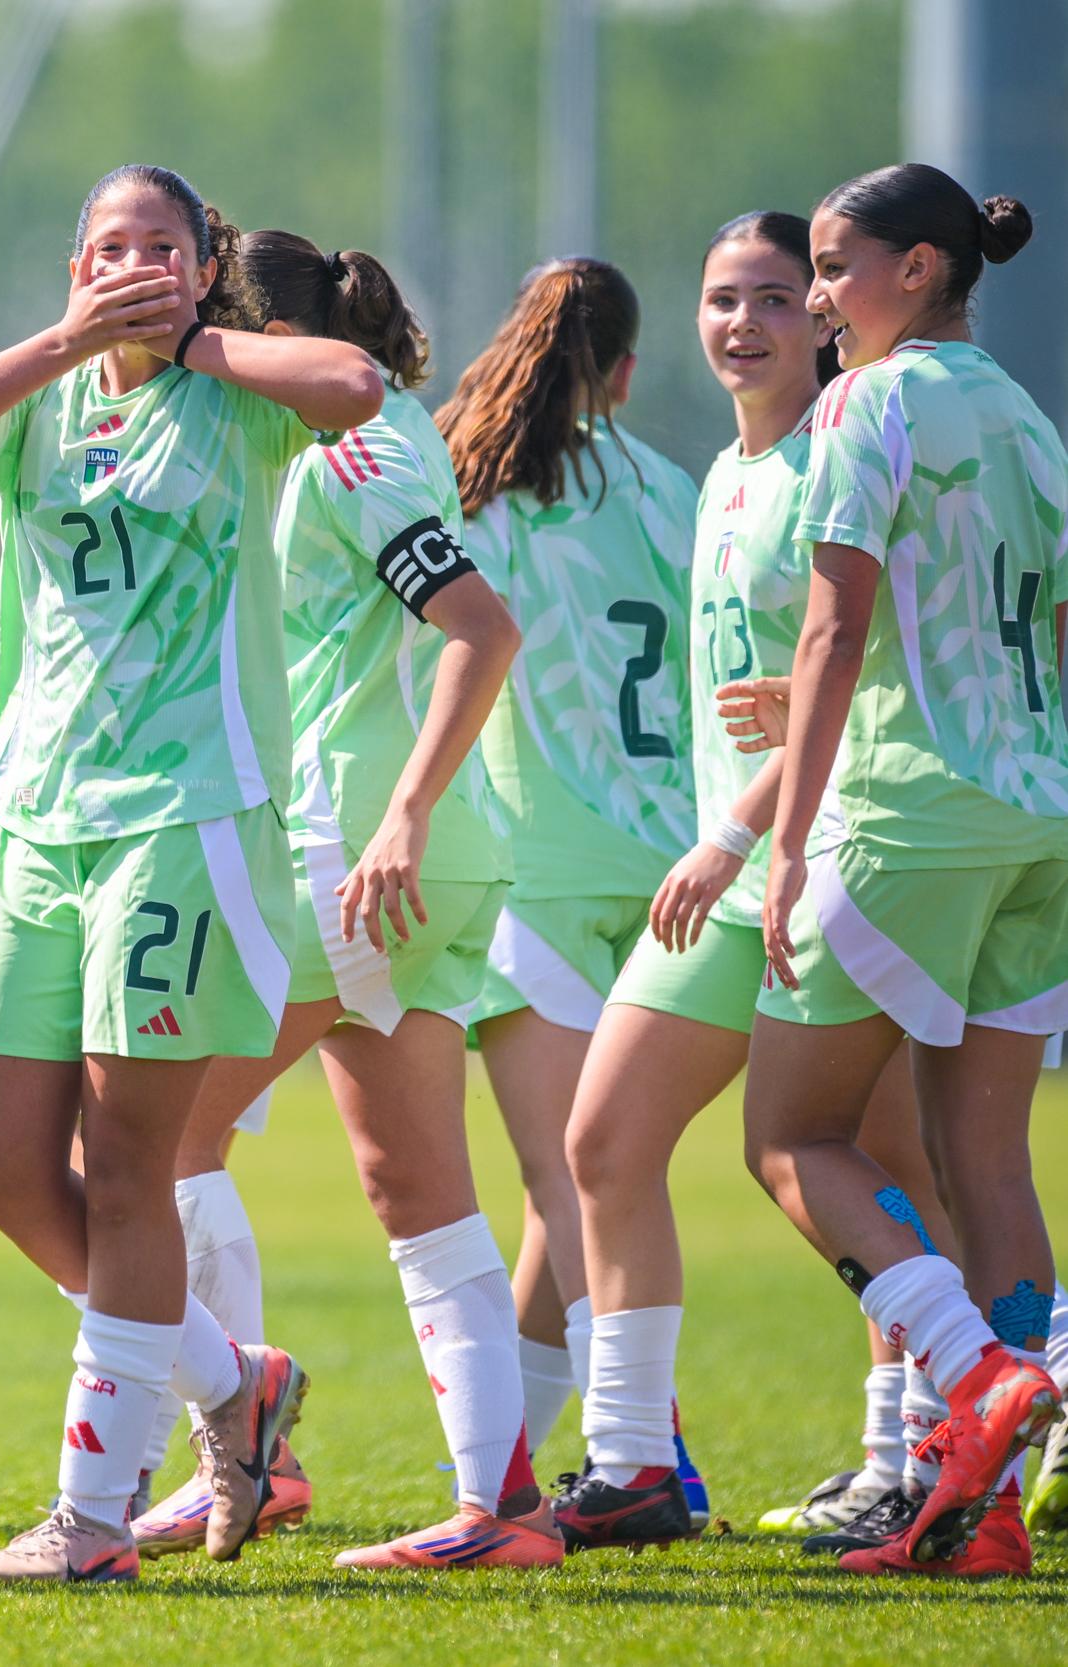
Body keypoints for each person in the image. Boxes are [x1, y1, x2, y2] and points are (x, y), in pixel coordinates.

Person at [0, 164, 383, 1582]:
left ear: (205, 260)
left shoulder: (234, 400)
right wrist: (66, 338)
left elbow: (354, 383)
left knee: (125, 1172)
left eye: (164, 246)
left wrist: (191, 339)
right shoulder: (39, 397)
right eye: (111, 246)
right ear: (75, 258)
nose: (136, 263)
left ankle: (92, 1518)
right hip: (38, 823)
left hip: (185, 815)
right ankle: (234, 1383)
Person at [139, 229, 540, 1569]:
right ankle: (502, 1507)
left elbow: (479, 627)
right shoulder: (379, 432)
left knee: (146, 1153)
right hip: (404, 863)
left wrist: (402, 814)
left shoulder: (344, 447)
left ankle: (242, 1442)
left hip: (349, 852)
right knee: (423, 1194)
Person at [551, 211, 948, 1551]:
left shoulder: (843, 448)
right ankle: (634, 1464)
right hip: (741, 859)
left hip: (823, 857)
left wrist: (732, 837)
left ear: (823, 319)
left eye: (775, 298)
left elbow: (870, 677)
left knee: (879, 1165)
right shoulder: (727, 469)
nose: (742, 323)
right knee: (609, 1141)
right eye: (722, 298)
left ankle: (944, 1435)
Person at [736, 163, 1061, 1578]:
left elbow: (832, 626)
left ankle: (980, 1377)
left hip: (908, 811)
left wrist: (789, 831)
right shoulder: (1029, 415)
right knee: (985, 1151)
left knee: (792, 1134)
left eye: (833, 264)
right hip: (1040, 814)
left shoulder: (868, 400)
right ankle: (989, 1503)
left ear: (920, 270)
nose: (815, 293)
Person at [436, 257, 702, 1477]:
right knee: (593, 1179)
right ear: (628, 373)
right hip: (670, 868)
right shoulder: (678, 489)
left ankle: (652, 1449)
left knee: (564, 1180)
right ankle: (520, 1463)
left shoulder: (475, 491)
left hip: (533, 860)